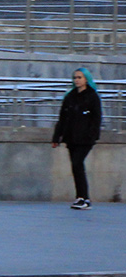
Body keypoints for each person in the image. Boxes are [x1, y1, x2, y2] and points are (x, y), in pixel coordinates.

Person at [52, 67, 101, 211]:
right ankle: (81, 197)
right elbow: (62, 118)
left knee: (77, 163)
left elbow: (96, 118)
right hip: (71, 137)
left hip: (85, 138)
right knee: (76, 166)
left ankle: (84, 198)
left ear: (86, 79)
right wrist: (57, 136)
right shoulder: (70, 96)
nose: (77, 80)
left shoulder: (92, 96)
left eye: (80, 77)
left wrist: (92, 135)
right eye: (75, 78)